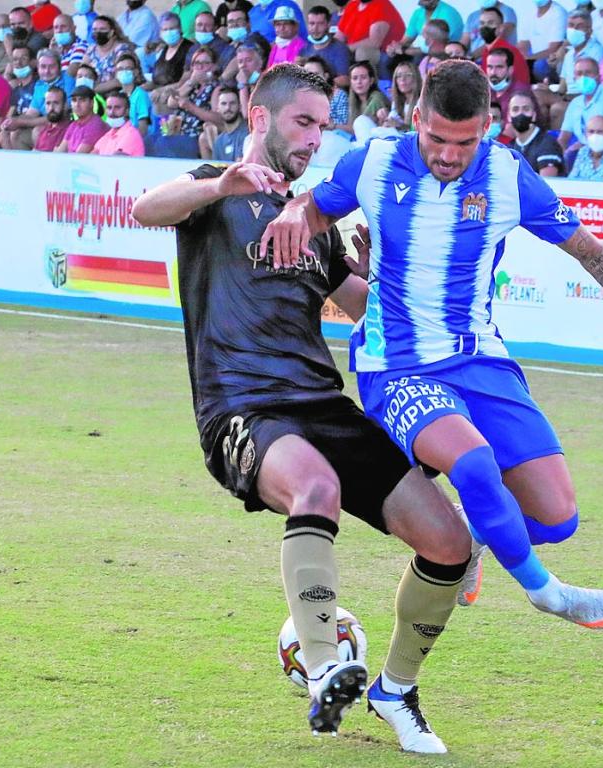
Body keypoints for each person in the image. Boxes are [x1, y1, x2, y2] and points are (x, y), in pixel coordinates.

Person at [261, 59, 603, 640]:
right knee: (474, 463)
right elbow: (313, 208)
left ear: (487, 127)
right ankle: (548, 593)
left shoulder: (508, 176)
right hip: (397, 365)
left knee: (556, 516)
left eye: (465, 142)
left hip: (479, 357)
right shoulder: (374, 161)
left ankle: (475, 532)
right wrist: (292, 209)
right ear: (416, 118)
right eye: (437, 138)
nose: (449, 155)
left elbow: (593, 254)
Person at [131, 63, 471, 754]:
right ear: (260, 118)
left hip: (323, 403)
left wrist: (386, 272)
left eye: (323, 126)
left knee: (450, 543)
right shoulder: (213, 191)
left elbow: (365, 309)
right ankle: (323, 670)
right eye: (304, 122)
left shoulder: (312, 221)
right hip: (242, 407)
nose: (316, 138)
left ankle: (396, 690)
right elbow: (145, 208)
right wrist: (220, 184)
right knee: (315, 488)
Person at [558, 54, 603, 153]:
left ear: (598, 77)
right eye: (579, 74)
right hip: (587, 157)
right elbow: (563, 138)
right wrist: (562, 153)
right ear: (574, 79)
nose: (583, 77)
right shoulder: (575, 103)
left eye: (588, 73)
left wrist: (588, 146)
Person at [507, 91, 565, 175]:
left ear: (534, 115)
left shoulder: (547, 145)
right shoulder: (510, 147)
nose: (520, 113)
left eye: (526, 109)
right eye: (515, 109)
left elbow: (546, 181)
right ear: (509, 116)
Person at [336, 0, 404, 63]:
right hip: (352, 52)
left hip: (385, 54)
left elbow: (374, 43)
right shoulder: (352, 5)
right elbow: (339, 37)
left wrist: (345, 49)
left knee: (362, 52)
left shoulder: (382, 4)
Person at [477, 7, 528, 87]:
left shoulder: (507, 51)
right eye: (482, 23)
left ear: (501, 28)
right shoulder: (487, 51)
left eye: (490, 23)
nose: (485, 27)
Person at [300, 5, 351, 84]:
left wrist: (321, 84)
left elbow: (345, 79)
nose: (315, 28)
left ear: (328, 24)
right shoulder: (304, 47)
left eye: (320, 24)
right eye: (312, 23)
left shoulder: (340, 49)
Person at [55, 84, 107, 152]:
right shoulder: (73, 125)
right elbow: (60, 151)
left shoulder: (95, 125)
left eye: (82, 100)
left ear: (91, 103)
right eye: (74, 100)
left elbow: (80, 156)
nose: (77, 105)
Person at [91, 90, 144, 155]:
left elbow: (116, 159)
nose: (112, 112)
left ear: (127, 111)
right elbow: (92, 157)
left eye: (117, 108)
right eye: (109, 108)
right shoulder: (109, 134)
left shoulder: (131, 134)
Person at [32, 84, 69, 150]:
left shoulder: (69, 130)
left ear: (65, 105)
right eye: (48, 103)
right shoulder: (43, 130)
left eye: (56, 103)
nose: (51, 108)